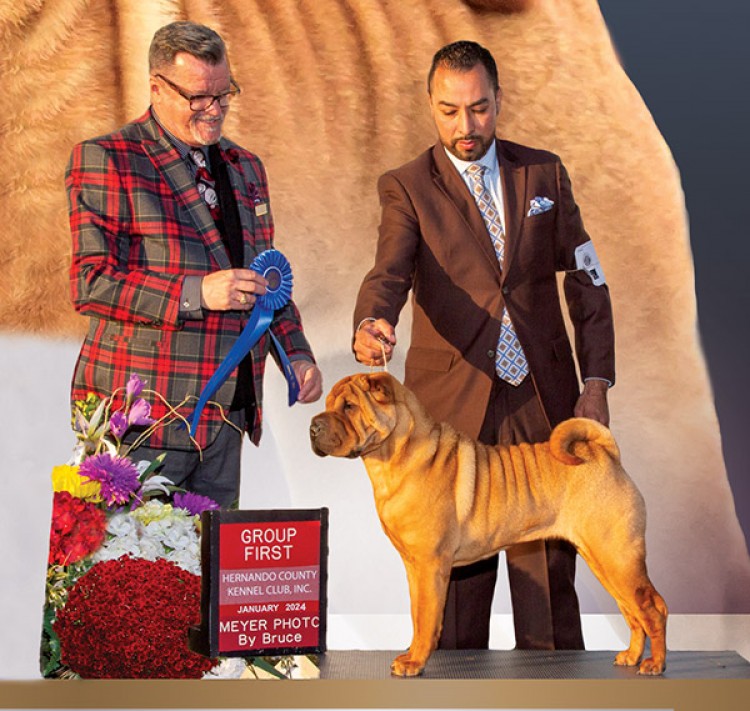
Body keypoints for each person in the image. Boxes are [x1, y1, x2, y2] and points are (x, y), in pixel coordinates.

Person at [352, 40, 615, 650]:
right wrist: (372, 320)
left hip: (541, 400)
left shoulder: (543, 173)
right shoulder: (406, 186)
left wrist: (596, 382)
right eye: (449, 111)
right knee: (453, 593)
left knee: (548, 581)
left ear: (499, 100)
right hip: (450, 408)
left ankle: (555, 688)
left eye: (478, 108)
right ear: (430, 104)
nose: (465, 126)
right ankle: (452, 685)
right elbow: (389, 271)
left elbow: (587, 280)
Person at [67, 21, 322, 508]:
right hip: (140, 423)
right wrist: (196, 293)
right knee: (128, 559)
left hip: (227, 419)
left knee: (213, 560)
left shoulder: (247, 166)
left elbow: (266, 278)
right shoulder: (107, 158)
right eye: (199, 97)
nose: (215, 109)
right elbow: (91, 282)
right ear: (157, 88)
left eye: (224, 94)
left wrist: (297, 355)